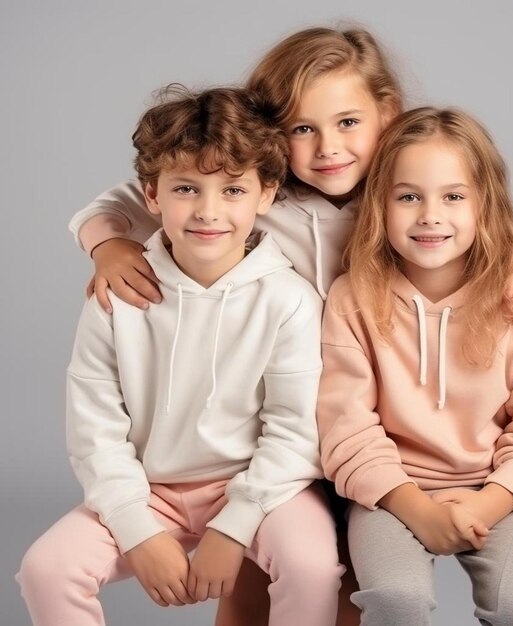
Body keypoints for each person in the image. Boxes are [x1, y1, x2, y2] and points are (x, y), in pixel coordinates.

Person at [65, 27, 513, 626]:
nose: (329, 147)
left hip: (375, 429)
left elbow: (470, 209)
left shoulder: (398, 192)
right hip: (276, 433)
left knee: (344, 591)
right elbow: (120, 202)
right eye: (303, 129)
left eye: (349, 123)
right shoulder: (263, 196)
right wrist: (108, 247)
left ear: (388, 114)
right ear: (275, 139)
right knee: (250, 593)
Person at [17, 85, 343, 626]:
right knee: (46, 570)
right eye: (186, 188)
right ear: (151, 195)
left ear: (266, 195)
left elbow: (294, 430)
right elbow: (94, 426)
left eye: (233, 190)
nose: (208, 211)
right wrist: (136, 527)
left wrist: (234, 523)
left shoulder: (289, 301)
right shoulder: (118, 295)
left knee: (311, 566)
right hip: (148, 490)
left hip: (261, 487)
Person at [317, 106, 513, 625]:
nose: (429, 215)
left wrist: (488, 504)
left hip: (500, 488)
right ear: (380, 204)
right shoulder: (352, 299)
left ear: (486, 205)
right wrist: (415, 506)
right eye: (408, 196)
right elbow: (345, 425)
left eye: (454, 197)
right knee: (397, 600)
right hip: (391, 493)